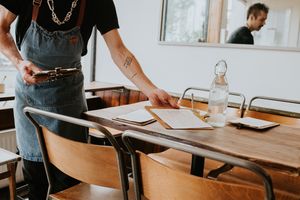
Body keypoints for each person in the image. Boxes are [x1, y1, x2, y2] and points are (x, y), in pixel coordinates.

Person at [0, 0, 178, 199]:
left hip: (70, 102)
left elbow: (118, 50)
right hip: (31, 102)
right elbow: (1, 28)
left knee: (71, 183)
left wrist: (150, 90)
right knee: (37, 183)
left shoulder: (98, 2)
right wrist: (19, 62)